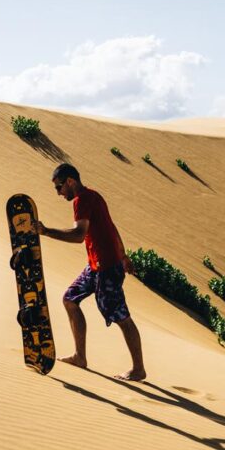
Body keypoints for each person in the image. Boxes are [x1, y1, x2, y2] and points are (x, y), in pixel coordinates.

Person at [36, 163, 146, 381]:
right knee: (70, 298)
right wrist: (123, 255)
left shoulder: (82, 200)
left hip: (106, 269)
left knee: (121, 316)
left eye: (59, 187)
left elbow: (79, 235)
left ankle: (138, 369)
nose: (58, 193)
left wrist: (46, 231)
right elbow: (111, 226)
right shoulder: (94, 196)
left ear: (70, 181)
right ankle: (80, 356)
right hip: (96, 265)